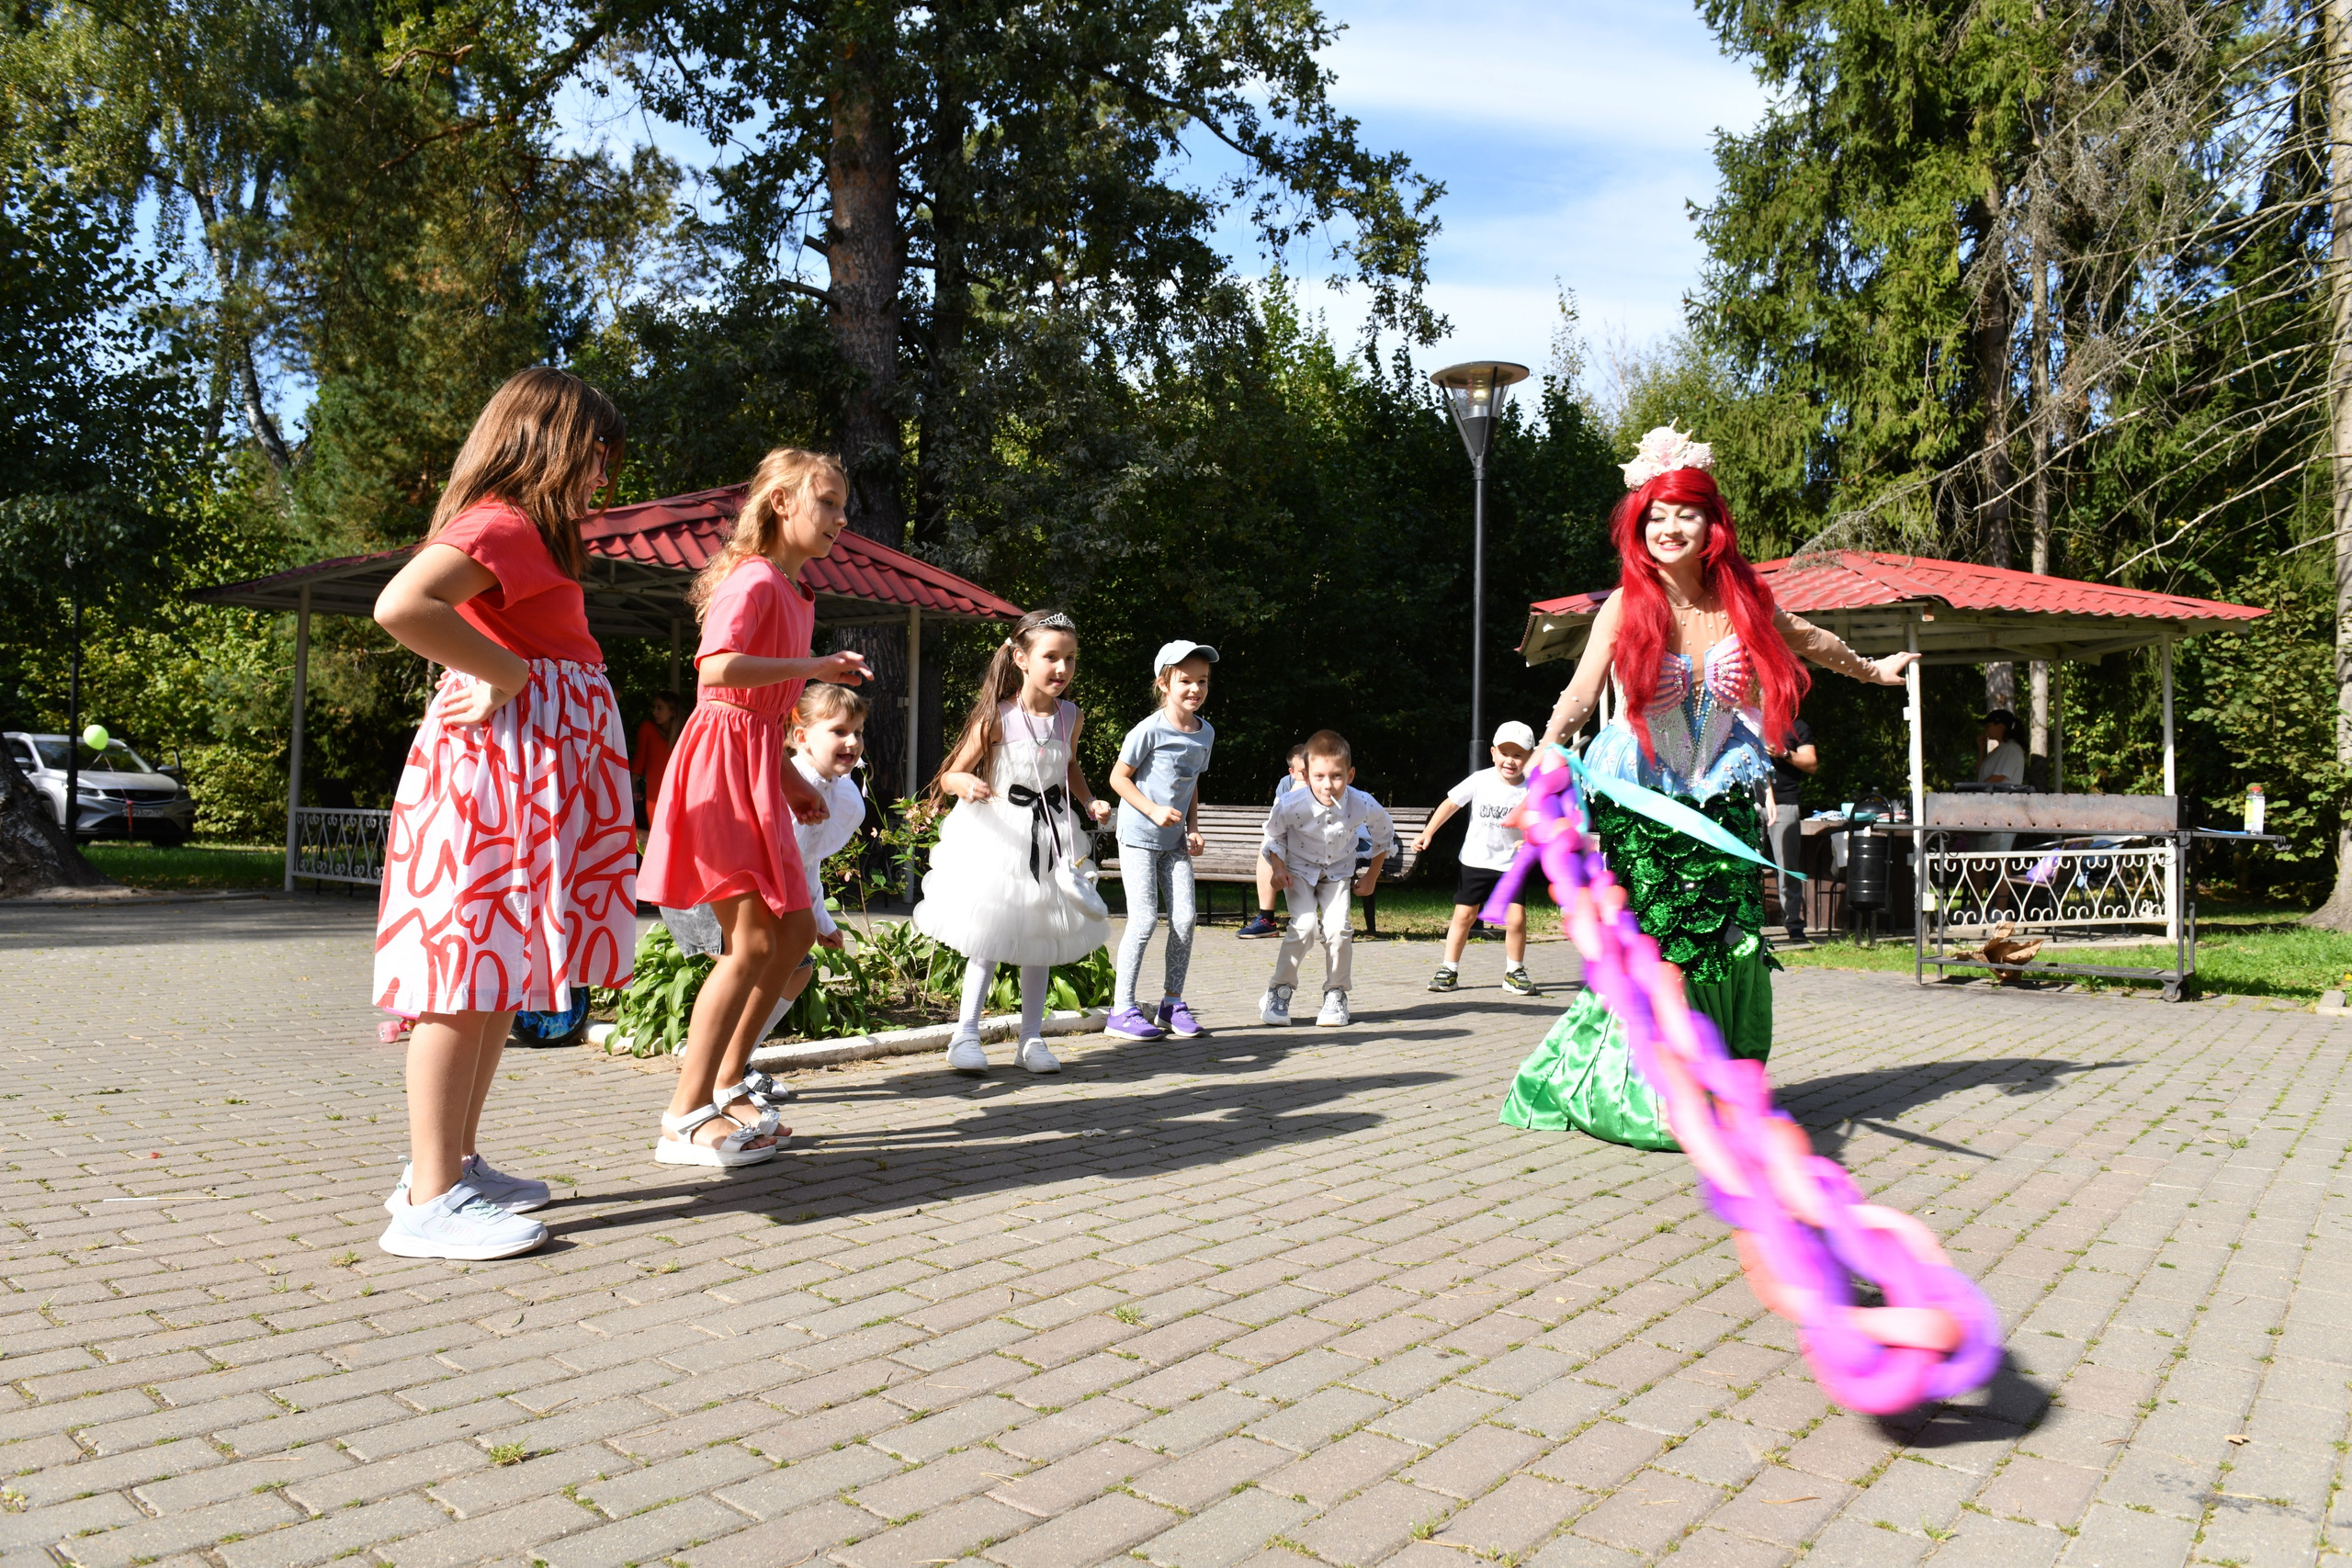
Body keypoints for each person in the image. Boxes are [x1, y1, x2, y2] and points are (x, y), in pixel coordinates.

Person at [1502, 425, 1915, 1150]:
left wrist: (1873, 670)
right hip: (1649, 804)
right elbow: (1578, 693)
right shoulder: (1626, 607)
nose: (1669, 527)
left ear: (1711, 522)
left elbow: (1809, 639)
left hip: (1720, 796)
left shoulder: (1742, 599)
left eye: (1684, 513)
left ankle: (1716, 1084)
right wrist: (1544, 753)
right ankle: (1651, 1092)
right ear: (1639, 525)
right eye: (1655, 515)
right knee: (1658, 943)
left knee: (1724, 944)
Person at [370, 367, 638, 1260]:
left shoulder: (528, 534)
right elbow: (402, 603)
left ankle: (451, 1165)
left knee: (494, 972)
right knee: (462, 973)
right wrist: (506, 674)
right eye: (600, 453)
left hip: (524, 772)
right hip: (494, 775)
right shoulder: (504, 522)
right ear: (556, 443)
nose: (606, 474)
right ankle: (428, 1199)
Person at [639, 450, 871, 1167]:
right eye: (827, 503)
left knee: (794, 930)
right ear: (780, 503)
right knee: (751, 947)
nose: (839, 519)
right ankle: (685, 1114)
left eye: (842, 507)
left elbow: (758, 712)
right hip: (718, 767)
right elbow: (716, 673)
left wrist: (786, 778)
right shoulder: (755, 578)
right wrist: (812, 669)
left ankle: (730, 1077)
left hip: (752, 765)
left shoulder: (793, 592)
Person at [915, 609, 1115, 1075]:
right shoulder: (998, 717)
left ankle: (1031, 1038)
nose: (1062, 669)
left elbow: (1068, 767)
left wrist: (1089, 802)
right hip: (1000, 835)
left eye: (1070, 658)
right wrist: (965, 784)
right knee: (989, 935)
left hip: (1051, 836)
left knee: (1040, 934)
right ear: (1022, 659)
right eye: (1051, 657)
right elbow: (951, 773)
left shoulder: (1071, 716)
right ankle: (965, 1034)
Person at [1105, 640, 1217, 1041]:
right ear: (1163, 684)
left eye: (1202, 681)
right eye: (1185, 680)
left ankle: (1171, 1005)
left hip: (1174, 843)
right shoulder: (1148, 730)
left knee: (1185, 919)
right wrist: (1152, 810)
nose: (1195, 689)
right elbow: (1118, 778)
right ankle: (1121, 1010)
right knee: (1144, 919)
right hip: (1137, 837)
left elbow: (1192, 784)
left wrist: (1193, 827)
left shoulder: (1205, 733)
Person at [1257, 729, 1391, 1028]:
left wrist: (1371, 876)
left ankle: (1336, 993)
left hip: (1338, 874)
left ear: (1351, 774)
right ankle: (1279, 990)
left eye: (1336, 776)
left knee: (1337, 930)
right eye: (1318, 776)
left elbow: (1385, 838)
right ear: (1305, 776)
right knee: (1304, 928)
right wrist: (1278, 868)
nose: (1327, 785)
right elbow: (1273, 836)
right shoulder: (1291, 804)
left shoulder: (1363, 803)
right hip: (1299, 873)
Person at [1418, 719, 1540, 997]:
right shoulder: (1481, 779)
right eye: (1505, 753)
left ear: (1529, 758)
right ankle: (1449, 969)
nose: (1510, 761)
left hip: (1510, 865)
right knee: (1464, 915)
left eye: (1518, 755)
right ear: (1494, 753)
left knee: (1517, 918)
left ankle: (1515, 971)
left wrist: (1531, 840)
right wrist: (1428, 832)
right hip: (1475, 861)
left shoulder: (1533, 789)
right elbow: (1451, 803)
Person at [1238, 744, 1309, 939]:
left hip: (1330, 846)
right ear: (1292, 772)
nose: (1310, 776)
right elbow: (1275, 826)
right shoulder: (1286, 784)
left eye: (1312, 769)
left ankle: (1335, 926)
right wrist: (1293, 795)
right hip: (1298, 843)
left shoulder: (1328, 778)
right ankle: (1267, 920)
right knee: (1267, 845)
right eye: (1303, 772)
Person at [1767, 716, 1817, 943]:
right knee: (1742, 867)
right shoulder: (1743, 719)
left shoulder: (1797, 727)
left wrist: (1784, 753)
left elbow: (1811, 763)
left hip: (1785, 802)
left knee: (1787, 867)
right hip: (1747, 801)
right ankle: (1741, 927)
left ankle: (1794, 925)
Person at [1976, 707, 2026, 853]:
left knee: (1999, 858)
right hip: (1989, 811)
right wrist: (1981, 750)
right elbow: (1980, 775)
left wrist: (1974, 790)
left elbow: (1998, 778)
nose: (1986, 729)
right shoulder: (1998, 751)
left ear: (2001, 726)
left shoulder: (2011, 749)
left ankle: (2004, 878)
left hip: (2003, 812)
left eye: (1988, 725)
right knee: (1979, 857)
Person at [631, 693, 683, 829]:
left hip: (679, 794)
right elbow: (638, 763)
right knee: (658, 832)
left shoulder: (683, 733)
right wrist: (629, 793)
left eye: (660, 708)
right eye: (654, 707)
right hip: (654, 797)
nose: (655, 712)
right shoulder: (648, 728)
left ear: (672, 711)